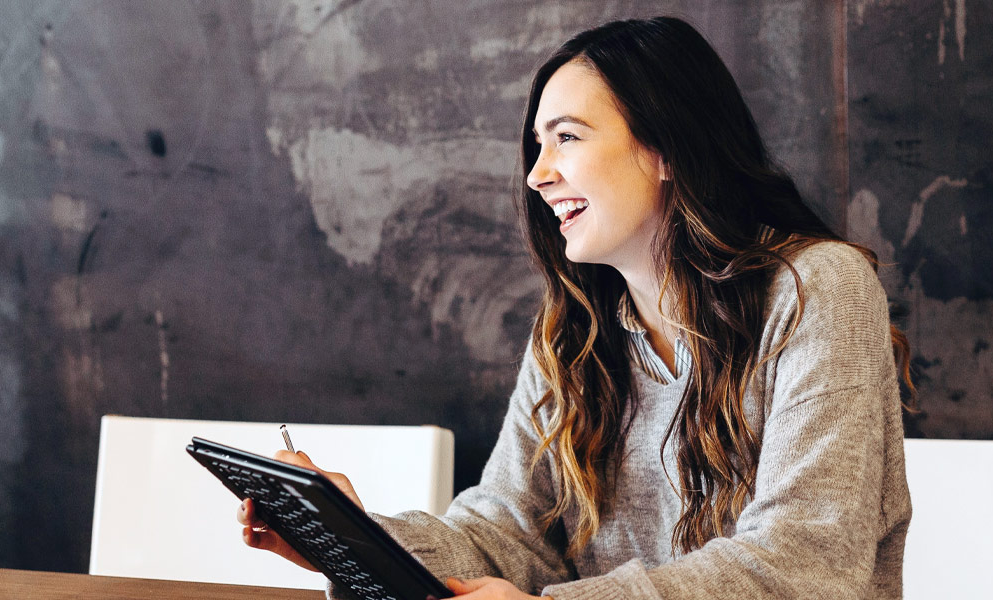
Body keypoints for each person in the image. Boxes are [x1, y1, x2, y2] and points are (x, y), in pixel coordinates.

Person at [236, 16, 913, 600]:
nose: (537, 174)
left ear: (665, 149)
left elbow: (807, 566)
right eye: (537, 145)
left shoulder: (818, 289)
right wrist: (355, 536)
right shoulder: (575, 332)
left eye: (567, 137)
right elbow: (502, 536)